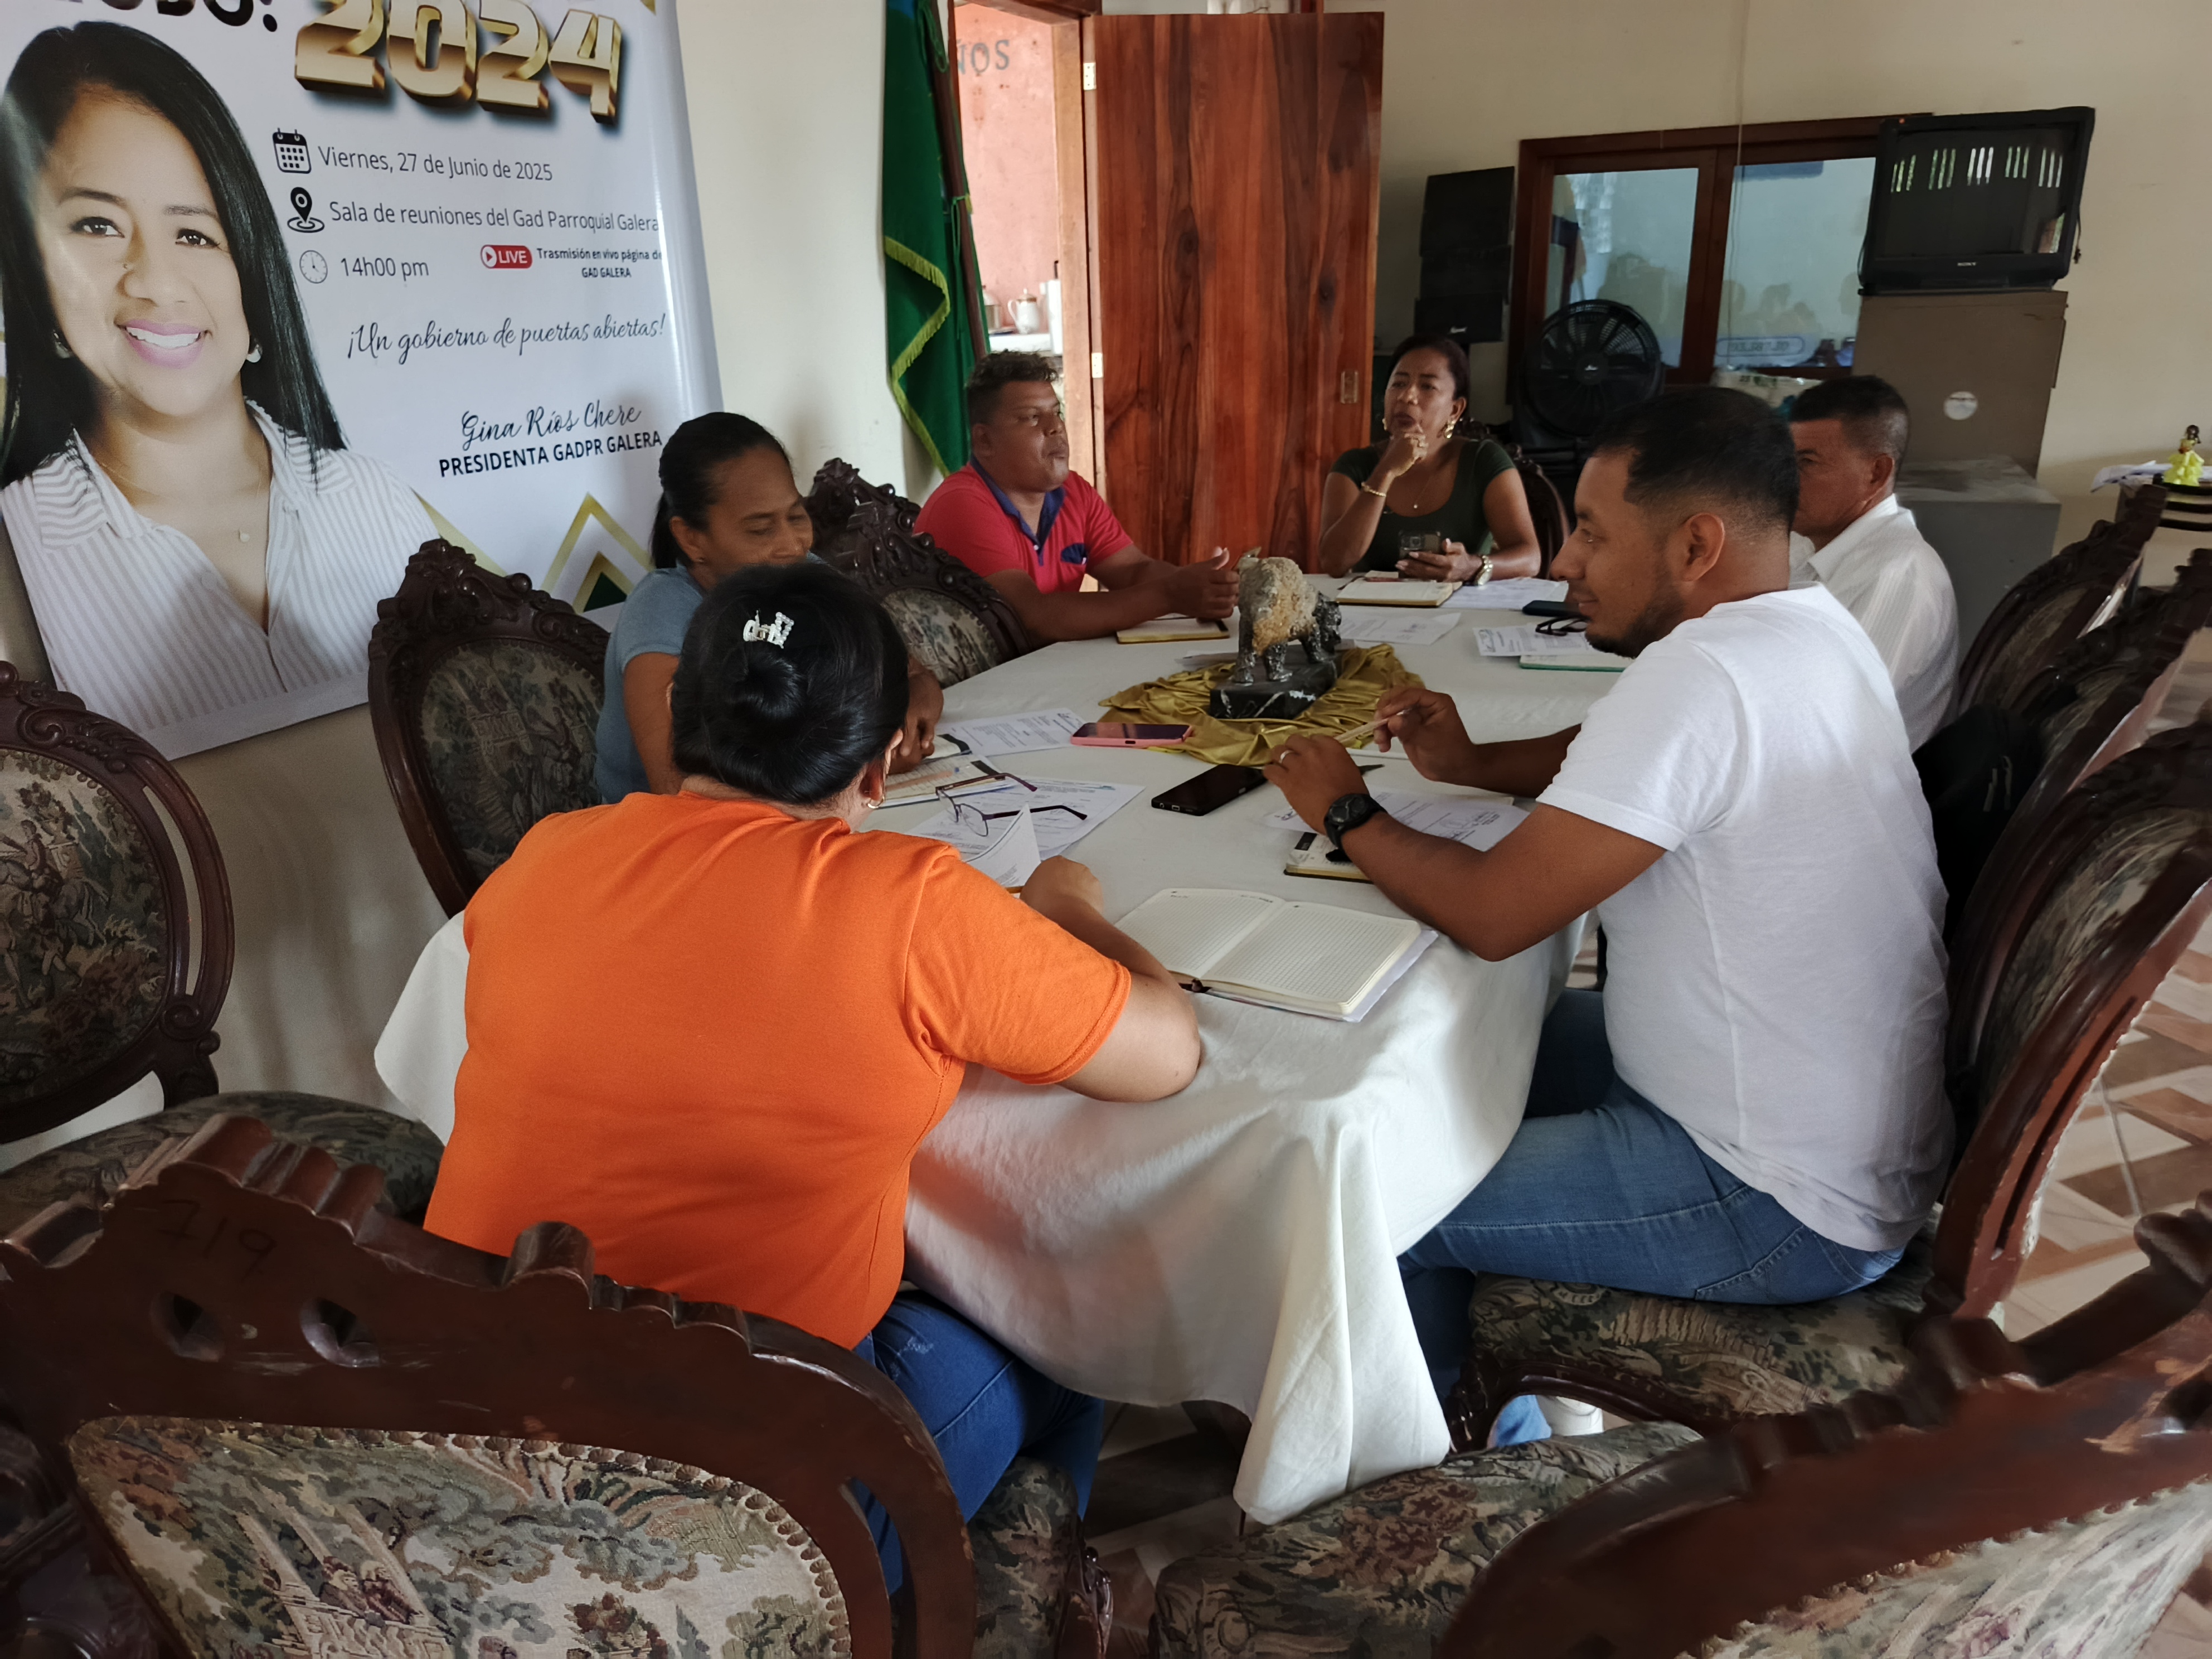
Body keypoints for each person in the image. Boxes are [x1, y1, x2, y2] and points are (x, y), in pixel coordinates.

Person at [429, 561, 1202, 1583]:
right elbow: (1167, 1052)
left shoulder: (544, 857)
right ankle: (951, 1605)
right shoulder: (911, 904)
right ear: (880, 769)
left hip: (476, 1424)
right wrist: (1067, 906)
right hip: (744, 1512)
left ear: (682, 713)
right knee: (1067, 1332)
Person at [1263, 388, 1949, 1415]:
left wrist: (1346, 811)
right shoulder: (1807, 624)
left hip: (1770, 1199)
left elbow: (1495, 915)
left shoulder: (1705, 673)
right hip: (1814, 1131)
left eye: (1590, 531)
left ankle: (1465, 1456)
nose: (1567, 561)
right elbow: (1614, 755)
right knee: (1463, 1045)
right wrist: (1471, 762)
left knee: (1368, 1208)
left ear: (1695, 545)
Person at [0, 23, 435, 758]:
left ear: (252, 274)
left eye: (195, 234)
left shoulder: (375, 499)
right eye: (98, 225)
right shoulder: (16, 549)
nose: (156, 280)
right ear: (34, 275)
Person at [594, 413, 944, 801]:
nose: (792, 545)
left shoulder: (801, 575)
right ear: (691, 539)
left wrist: (909, 709)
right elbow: (676, 792)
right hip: (668, 829)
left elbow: (910, 672)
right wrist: (854, 762)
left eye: (796, 516)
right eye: (760, 529)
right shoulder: (661, 611)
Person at [914, 351, 1240, 642]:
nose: (1055, 427)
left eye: (1057, 413)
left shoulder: (1074, 492)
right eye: (1032, 417)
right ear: (984, 441)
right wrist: (1171, 595)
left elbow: (1134, 571)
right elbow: (1032, 619)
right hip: (982, 684)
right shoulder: (962, 504)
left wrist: (1203, 586)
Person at [1788, 375, 1958, 748]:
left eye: (1807, 463)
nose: (1786, 481)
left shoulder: (1897, 575)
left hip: (1828, 772)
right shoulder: (1806, 542)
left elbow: (1825, 727)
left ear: (1875, 473)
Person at [1317, 334, 1545, 582]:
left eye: (1427, 387)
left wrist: (1471, 566)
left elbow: (1530, 558)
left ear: (1455, 410)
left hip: (1461, 605)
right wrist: (1385, 472)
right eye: (1398, 384)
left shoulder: (1483, 460)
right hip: (1371, 606)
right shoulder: (1354, 466)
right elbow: (1334, 563)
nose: (1407, 397)